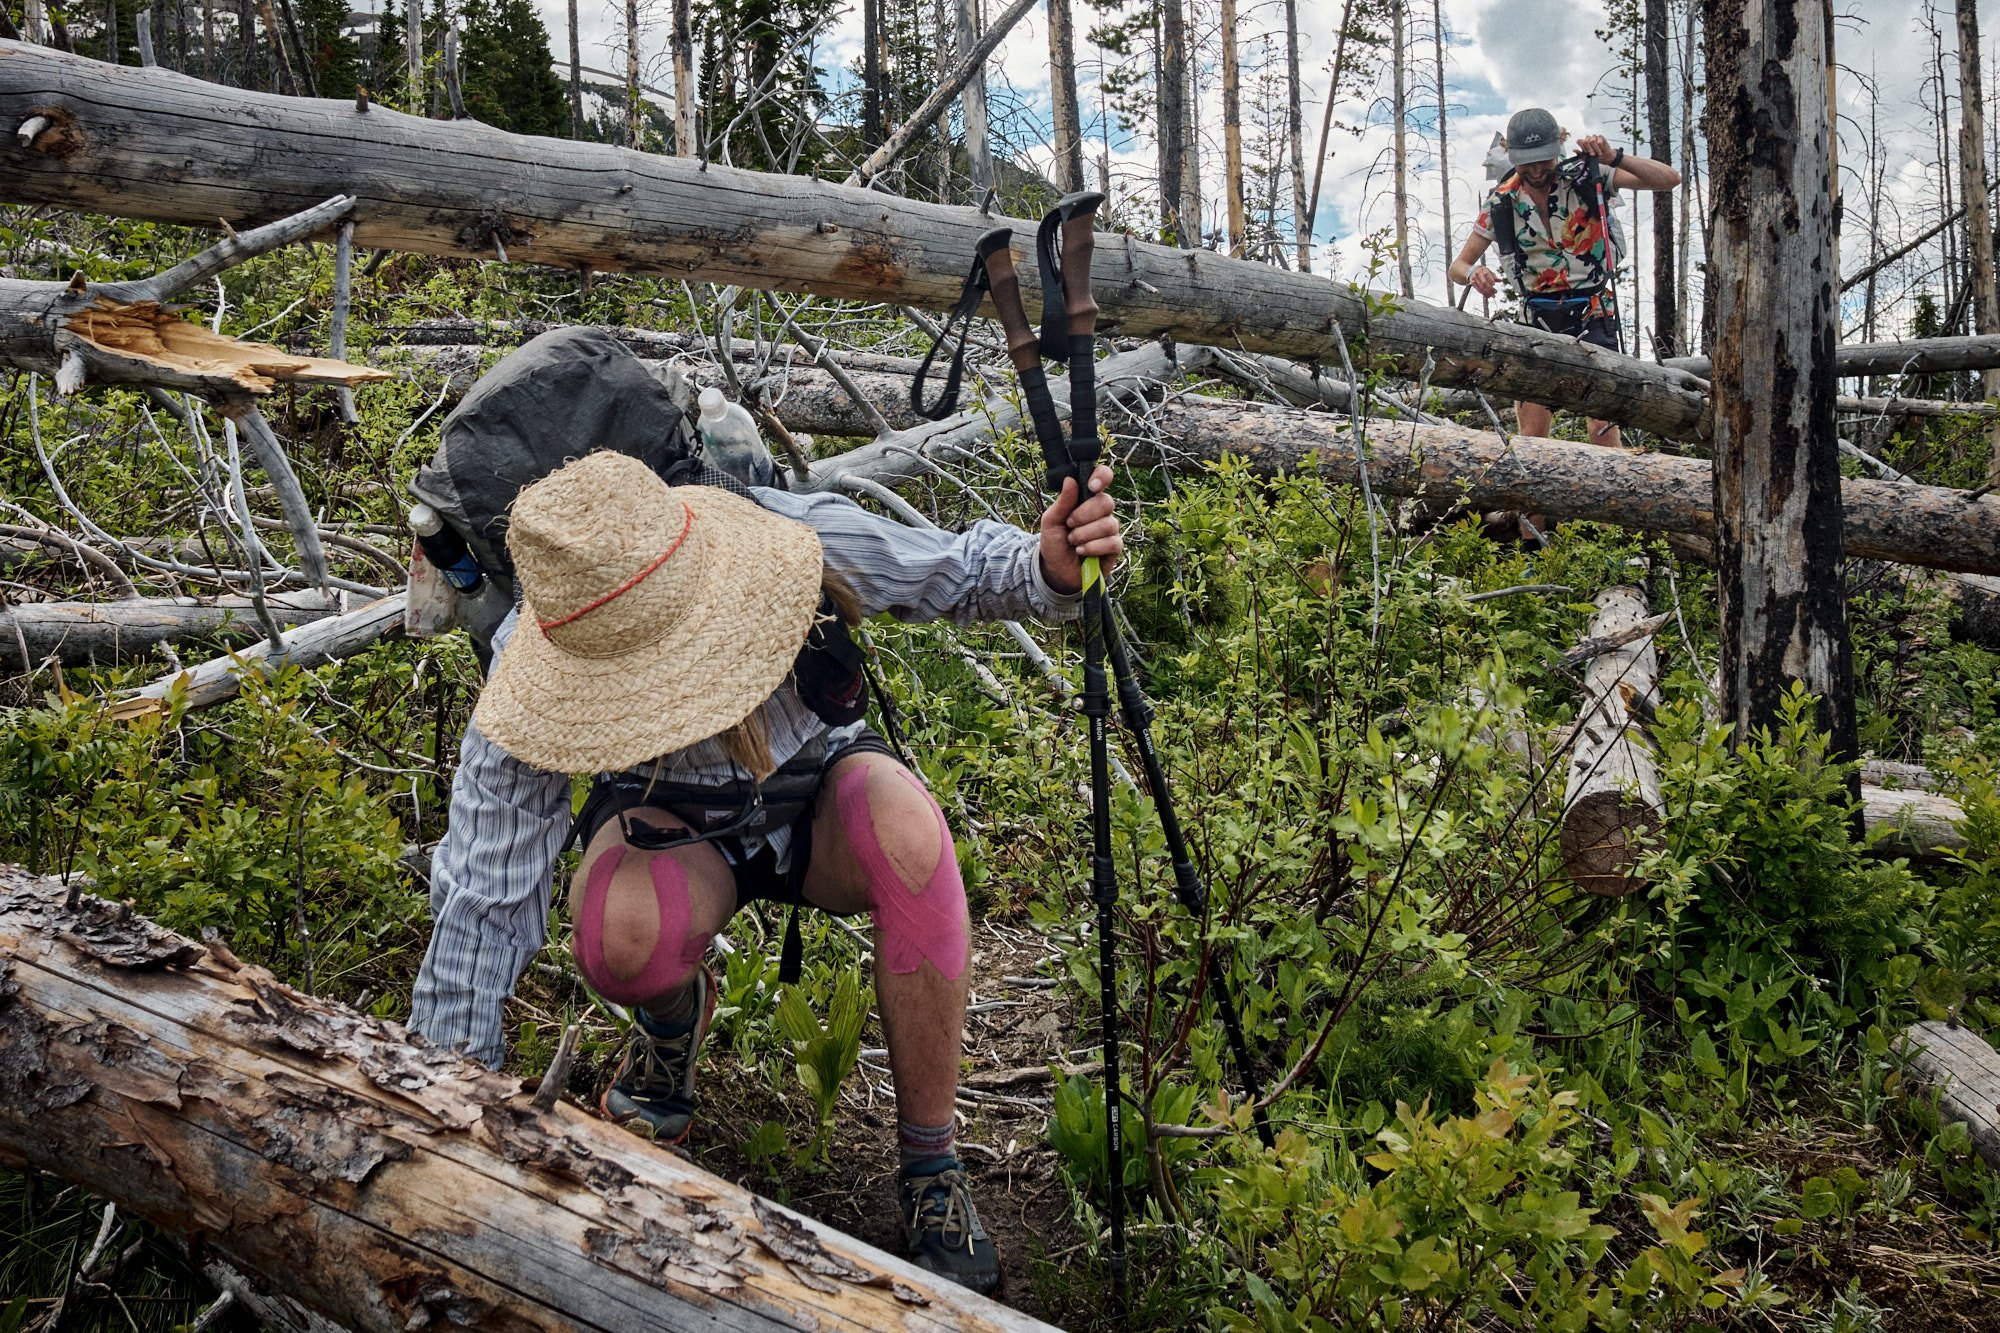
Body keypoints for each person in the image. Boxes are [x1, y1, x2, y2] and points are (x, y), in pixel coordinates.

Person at [407, 448, 1125, 1295]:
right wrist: (443, 1100)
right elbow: (482, 895)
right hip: (675, 827)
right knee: (621, 935)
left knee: (910, 836)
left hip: (812, 799)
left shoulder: (783, 536)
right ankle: (674, 1025)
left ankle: (931, 1164)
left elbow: (952, 569)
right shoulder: (532, 668)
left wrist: (1043, 565)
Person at [1448, 106, 1682, 449]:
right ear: (1513, 156)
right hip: (1535, 318)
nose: (1538, 169)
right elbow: (1458, 266)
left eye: (1544, 159)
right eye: (1528, 161)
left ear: (1557, 149)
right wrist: (1474, 273)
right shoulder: (1501, 201)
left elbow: (1669, 179)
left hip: (1594, 310)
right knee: (1532, 436)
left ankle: (1609, 495)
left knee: (1602, 427)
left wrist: (1613, 157)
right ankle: (1529, 500)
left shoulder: (1587, 176)